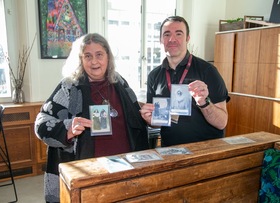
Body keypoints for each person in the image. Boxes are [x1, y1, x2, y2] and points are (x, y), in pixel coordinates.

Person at [34, 33, 149, 203]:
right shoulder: (69, 86)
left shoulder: (119, 82)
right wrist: (67, 128)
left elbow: (135, 120)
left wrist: (145, 116)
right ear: (80, 59)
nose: (94, 62)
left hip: (124, 170)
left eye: (99, 55)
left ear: (108, 57)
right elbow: (41, 123)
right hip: (87, 175)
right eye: (87, 56)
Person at [140, 16, 229, 147]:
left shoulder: (207, 71)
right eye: (167, 34)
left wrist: (204, 102)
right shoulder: (154, 76)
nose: (172, 39)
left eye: (178, 34)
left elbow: (222, 122)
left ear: (188, 38)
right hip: (171, 151)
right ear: (161, 39)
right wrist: (150, 120)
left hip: (205, 152)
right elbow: (158, 122)